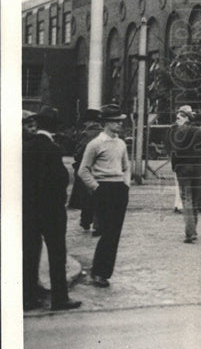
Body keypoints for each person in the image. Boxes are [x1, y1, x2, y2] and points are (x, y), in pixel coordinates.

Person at [23, 107, 82, 311]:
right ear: (55, 128)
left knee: (30, 252)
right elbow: (60, 179)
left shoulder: (26, 147)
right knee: (57, 253)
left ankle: (28, 298)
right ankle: (59, 298)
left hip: (29, 210)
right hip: (51, 211)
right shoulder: (53, 148)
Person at [78, 104, 131, 288]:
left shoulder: (121, 143)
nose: (119, 125)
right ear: (106, 123)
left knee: (114, 233)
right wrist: (96, 188)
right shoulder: (95, 144)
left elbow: (126, 166)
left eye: (120, 121)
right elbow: (83, 170)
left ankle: (104, 272)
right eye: (116, 121)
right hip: (103, 189)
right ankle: (98, 272)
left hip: (119, 189)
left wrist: (126, 184)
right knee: (107, 232)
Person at [170, 107, 201, 243]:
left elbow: (175, 151)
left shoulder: (178, 132)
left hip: (184, 168)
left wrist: (174, 166)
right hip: (199, 168)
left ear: (186, 118)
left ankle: (190, 233)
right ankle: (194, 230)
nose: (177, 121)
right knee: (195, 199)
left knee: (187, 199)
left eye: (179, 118)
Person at [68, 108, 103, 234]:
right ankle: (97, 223)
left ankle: (86, 221)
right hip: (101, 169)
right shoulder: (104, 133)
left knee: (86, 197)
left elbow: (79, 152)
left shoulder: (86, 134)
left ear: (89, 121)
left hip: (86, 169)